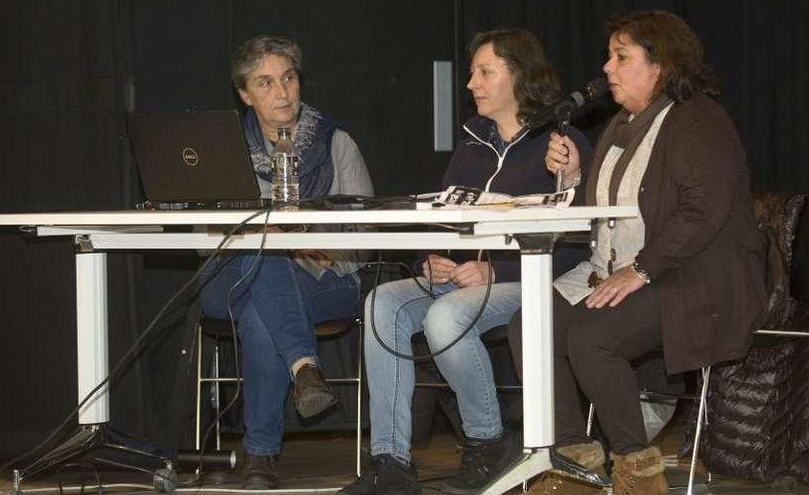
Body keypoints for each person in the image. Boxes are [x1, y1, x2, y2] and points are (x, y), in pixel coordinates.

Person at [507, 10, 767, 495]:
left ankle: (636, 468)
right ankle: (574, 463)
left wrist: (642, 269)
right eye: (609, 56)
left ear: (660, 65)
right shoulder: (621, 124)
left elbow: (702, 211)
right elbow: (604, 212)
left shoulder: (699, 121)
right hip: (621, 270)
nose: (607, 67)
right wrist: (573, 175)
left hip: (694, 277)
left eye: (621, 57)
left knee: (592, 338)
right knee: (531, 325)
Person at [340, 28, 590, 495]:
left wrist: (497, 271)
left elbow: (578, 244)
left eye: (484, 72)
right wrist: (431, 259)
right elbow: (444, 220)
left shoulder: (561, 146)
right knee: (381, 304)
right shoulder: (472, 146)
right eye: (473, 72)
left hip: (530, 280)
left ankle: (487, 442)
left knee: (448, 314)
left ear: (519, 76)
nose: (471, 83)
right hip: (463, 281)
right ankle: (390, 461)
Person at [197, 34, 374, 490]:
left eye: (289, 78)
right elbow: (201, 243)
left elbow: (367, 239)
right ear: (245, 94)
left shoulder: (336, 143)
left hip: (327, 278)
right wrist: (264, 236)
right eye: (265, 82)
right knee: (264, 256)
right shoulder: (222, 150)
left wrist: (310, 246)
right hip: (230, 281)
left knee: (263, 311)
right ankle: (304, 367)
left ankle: (260, 454)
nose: (281, 92)